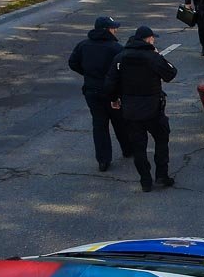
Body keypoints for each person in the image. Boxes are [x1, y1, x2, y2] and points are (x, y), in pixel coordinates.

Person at [105, 26, 178, 191]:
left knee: (139, 147)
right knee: (161, 140)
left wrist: (114, 99)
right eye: (153, 38)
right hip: (153, 109)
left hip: (130, 110)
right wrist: (158, 55)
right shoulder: (152, 57)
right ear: (149, 39)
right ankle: (161, 175)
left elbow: (110, 83)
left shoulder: (120, 57)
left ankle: (145, 180)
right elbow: (171, 73)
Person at [68, 15, 131, 172]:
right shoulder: (115, 48)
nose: (115, 30)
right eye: (113, 27)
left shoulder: (83, 45)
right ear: (107, 30)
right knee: (119, 121)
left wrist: (88, 74)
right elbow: (123, 69)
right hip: (111, 92)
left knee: (99, 124)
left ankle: (103, 160)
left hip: (91, 91)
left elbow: (73, 63)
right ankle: (128, 148)